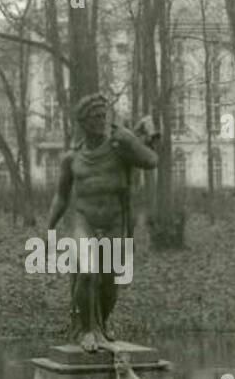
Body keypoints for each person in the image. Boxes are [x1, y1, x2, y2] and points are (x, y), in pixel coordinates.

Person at [47, 92, 159, 352]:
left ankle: (103, 323)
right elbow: (61, 196)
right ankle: (86, 330)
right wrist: (49, 227)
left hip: (113, 222)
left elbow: (152, 161)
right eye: (95, 117)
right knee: (87, 272)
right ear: (83, 123)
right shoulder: (71, 159)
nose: (101, 121)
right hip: (83, 220)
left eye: (103, 116)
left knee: (110, 281)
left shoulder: (120, 147)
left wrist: (133, 137)